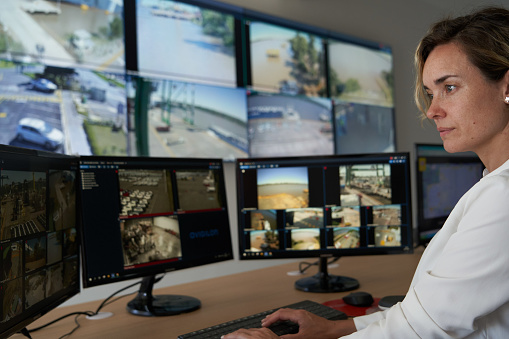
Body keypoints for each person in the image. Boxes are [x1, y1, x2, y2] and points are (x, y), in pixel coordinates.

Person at [223, 6, 509, 339]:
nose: (432, 110)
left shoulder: (502, 195)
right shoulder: (494, 182)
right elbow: (424, 312)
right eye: (431, 93)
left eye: (450, 88)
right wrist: (336, 328)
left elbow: (424, 328)